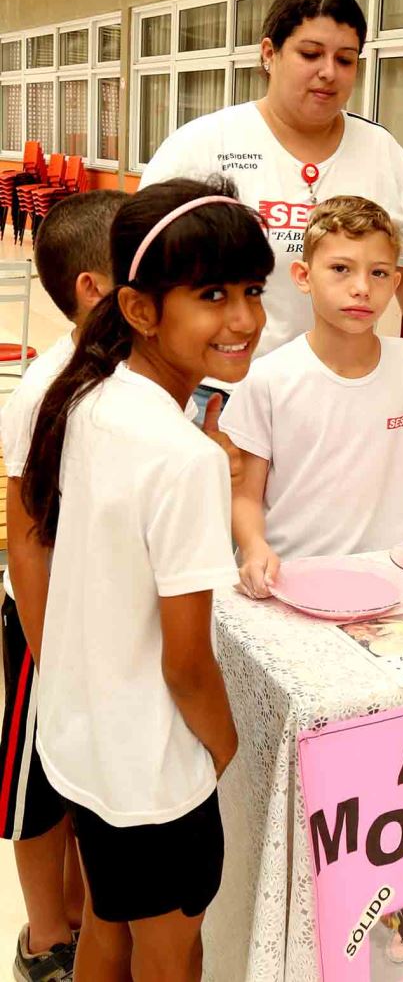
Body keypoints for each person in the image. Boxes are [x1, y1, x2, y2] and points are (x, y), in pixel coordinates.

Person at [20, 177, 274, 981]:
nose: (244, 319)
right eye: (212, 294)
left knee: (107, 923)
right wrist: (227, 747)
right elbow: (186, 661)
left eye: (253, 290)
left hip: (85, 744)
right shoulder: (184, 457)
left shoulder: (88, 396)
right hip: (153, 773)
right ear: (138, 308)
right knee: (173, 954)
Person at [218, 196, 403, 596]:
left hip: (383, 580)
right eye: (340, 269)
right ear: (304, 276)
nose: (361, 288)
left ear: (395, 283)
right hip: (289, 579)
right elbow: (245, 496)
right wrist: (255, 548)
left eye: (378, 273)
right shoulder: (268, 378)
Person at [138, 0, 403, 363]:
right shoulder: (203, 146)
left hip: (343, 382)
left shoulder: (383, 152)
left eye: (345, 60)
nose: (328, 72)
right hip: (222, 383)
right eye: (310, 54)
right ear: (270, 53)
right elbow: (142, 264)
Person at [1, 190, 125, 982]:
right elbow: (26, 538)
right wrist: (51, 652)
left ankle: (85, 916)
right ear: (94, 288)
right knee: (38, 792)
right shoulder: (46, 391)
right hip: (47, 629)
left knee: (90, 776)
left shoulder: (131, 376)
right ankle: (47, 935)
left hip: (109, 624)